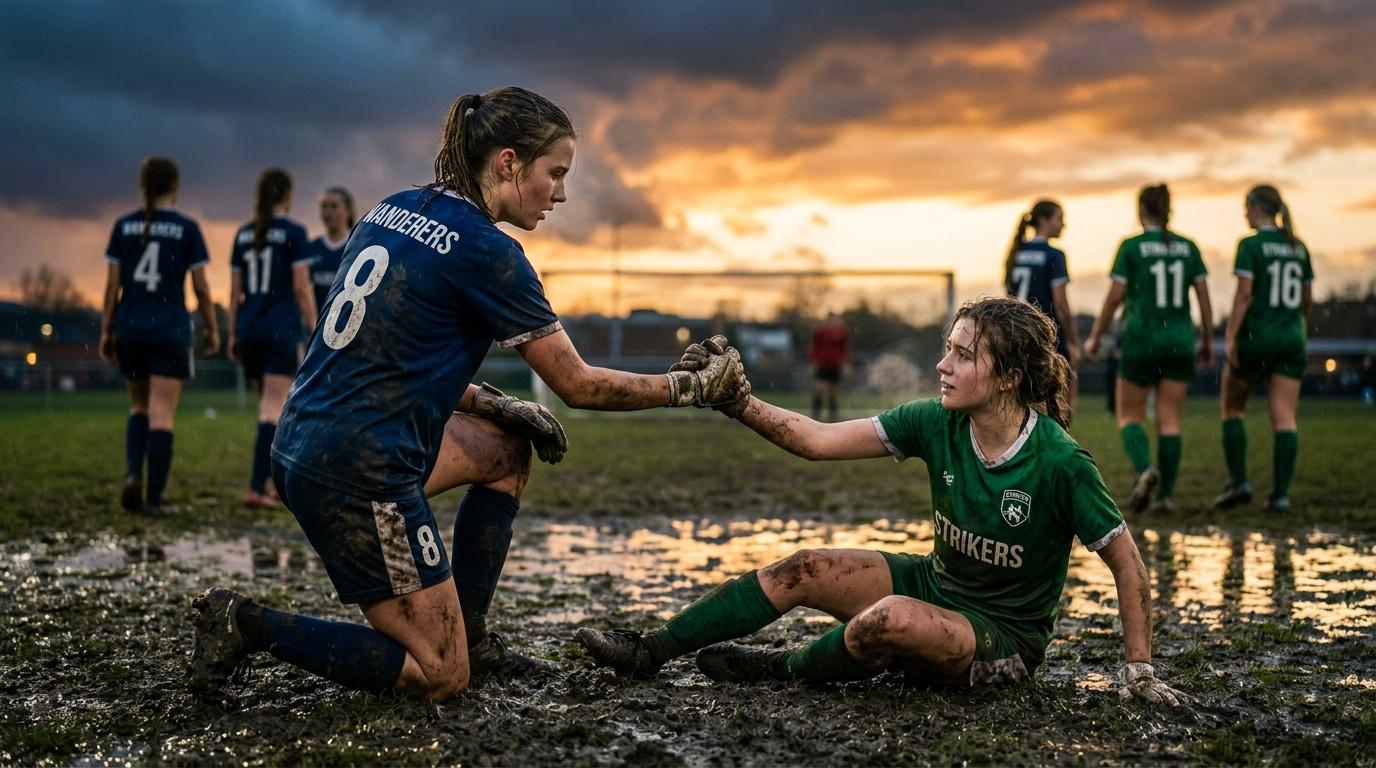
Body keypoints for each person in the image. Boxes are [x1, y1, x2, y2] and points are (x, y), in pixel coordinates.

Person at [188, 87, 749, 702]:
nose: (560, 193)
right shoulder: (489, 251)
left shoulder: (392, 207)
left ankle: (473, 634)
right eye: (555, 173)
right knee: (439, 676)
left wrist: (491, 404)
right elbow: (579, 384)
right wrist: (690, 386)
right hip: (361, 470)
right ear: (508, 163)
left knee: (505, 449)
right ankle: (244, 622)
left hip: (302, 440)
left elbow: (383, 355)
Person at [575, 298, 1189, 707]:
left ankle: (782, 667)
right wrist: (740, 403)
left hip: (1000, 640)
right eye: (947, 347)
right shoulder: (935, 421)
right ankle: (648, 651)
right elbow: (818, 440)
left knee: (889, 619)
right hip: (935, 585)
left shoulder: (1061, 462)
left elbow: (1128, 565)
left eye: (963, 354)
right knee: (804, 567)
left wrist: (1138, 669)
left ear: (1008, 378)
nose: (942, 364)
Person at [98, 156, 219, 514]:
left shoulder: (123, 226)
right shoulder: (186, 228)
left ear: (143, 187)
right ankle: (154, 498)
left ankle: (134, 474)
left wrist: (107, 328)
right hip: (169, 328)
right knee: (162, 413)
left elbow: (110, 286)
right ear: (175, 187)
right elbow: (201, 287)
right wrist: (212, 327)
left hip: (131, 327)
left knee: (138, 406)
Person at [1085, 184, 1213, 514]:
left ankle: (1146, 469)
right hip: (1180, 341)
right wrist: (1208, 338)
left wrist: (1096, 335)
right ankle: (1167, 496)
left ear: (1141, 210)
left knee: (1129, 416)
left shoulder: (1131, 247)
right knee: (1169, 420)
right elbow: (1203, 297)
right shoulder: (1188, 247)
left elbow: (1115, 297)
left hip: (1141, 341)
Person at [1214, 185, 1314, 513]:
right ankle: (1281, 496)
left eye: (1246, 206)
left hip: (1258, 337)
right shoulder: (1298, 247)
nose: (1244, 213)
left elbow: (1244, 294)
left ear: (1257, 206)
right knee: (1284, 417)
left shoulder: (1250, 245)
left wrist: (1230, 337)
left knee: (1232, 408)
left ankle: (1240, 482)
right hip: (1290, 338)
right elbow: (1306, 300)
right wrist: (1296, 327)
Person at [226, 168, 318, 508]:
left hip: (249, 327)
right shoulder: (294, 231)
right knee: (272, 409)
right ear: (288, 195)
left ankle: (265, 483)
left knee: (268, 406)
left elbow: (235, 291)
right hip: (278, 328)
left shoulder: (244, 233)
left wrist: (233, 331)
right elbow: (300, 286)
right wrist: (317, 326)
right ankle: (259, 485)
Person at [1005, 199, 1080, 413]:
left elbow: (1008, 299)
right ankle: (1057, 442)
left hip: (1016, 333)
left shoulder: (1015, 253)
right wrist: (1073, 340)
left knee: (1022, 399)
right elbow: (1061, 303)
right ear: (1043, 221)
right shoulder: (1054, 255)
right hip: (1046, 334)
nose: (1063, 225)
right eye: (1059, 219)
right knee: (1059, 400)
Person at [307, 187, 355, 315]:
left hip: (347, 322)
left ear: (348, 211)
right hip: (317, 323)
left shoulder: (357, 246)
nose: (328, 212)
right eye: (324, 206)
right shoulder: (311, 248)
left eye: (334, 206)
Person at [809, 312, 851, 421]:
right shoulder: (820, 331)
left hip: (835, 365)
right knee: (819, 390)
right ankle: (815, 415)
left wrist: (845, 363)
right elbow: (814, 346)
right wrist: (814, 361)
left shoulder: (841, 332)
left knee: (833, 393)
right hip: (822, 364)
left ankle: (832, 417)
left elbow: (845, 348)